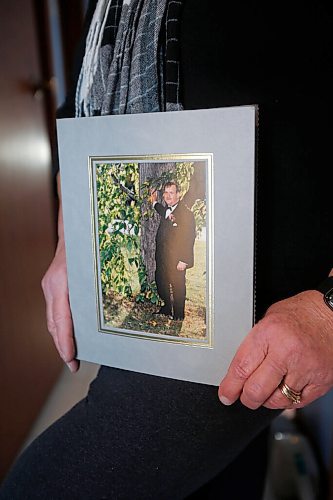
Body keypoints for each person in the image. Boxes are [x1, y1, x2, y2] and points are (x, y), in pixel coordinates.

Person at [1, 0, 332, 498]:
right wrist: (70, 243)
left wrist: (330, 309)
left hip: (254, 321)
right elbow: (79, 103)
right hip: (139, 325)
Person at [151, 181, 196, 320]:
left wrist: (184, 260)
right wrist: (154, 203)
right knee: (161, 281)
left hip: (178, 259)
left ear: (178, 194)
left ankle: (178, 315)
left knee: (178, 286)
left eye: (171, 192)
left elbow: (189, 238)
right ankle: (166, 308)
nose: (168, 196)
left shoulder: (186, 214)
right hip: (162, 257)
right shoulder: (167, 210)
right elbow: (162, 210)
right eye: (166, 193)